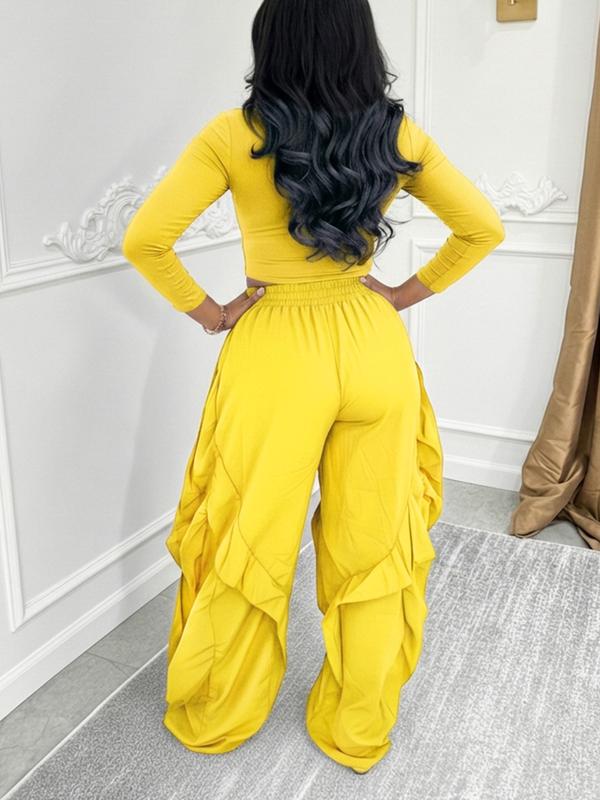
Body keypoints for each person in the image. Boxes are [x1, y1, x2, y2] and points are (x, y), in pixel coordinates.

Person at [121, 0, 505, 775]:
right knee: (375, 542)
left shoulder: (234, 134)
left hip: (274, 353)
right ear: (360, 42)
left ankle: (221, 712)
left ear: (272, 40)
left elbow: (145, 240)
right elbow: (482, 227)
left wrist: (212, 313)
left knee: (249, 535)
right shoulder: (394, 133)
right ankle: (357, 727)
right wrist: (399, 295)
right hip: (371, 347)